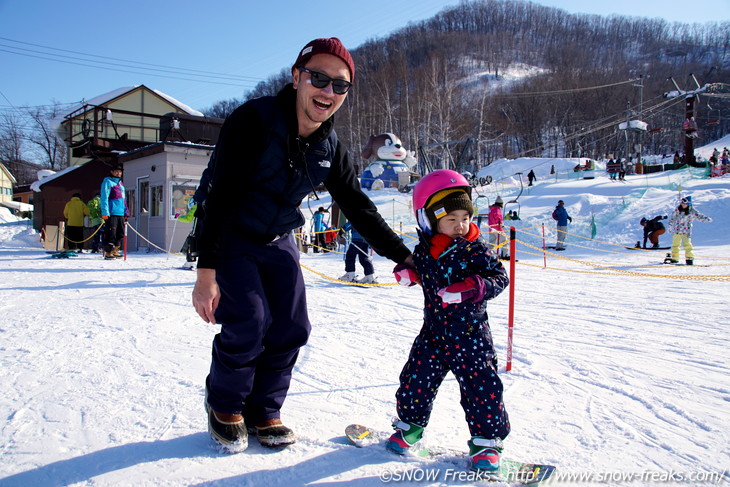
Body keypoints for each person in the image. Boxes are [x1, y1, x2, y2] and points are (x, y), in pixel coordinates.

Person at [191, 37, 413, 452]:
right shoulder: (253, 120)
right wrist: (206, 273)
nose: (327, 92)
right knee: (249, 322)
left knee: (293, 327)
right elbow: (220, 195)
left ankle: (264, 409)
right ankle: (224, 405)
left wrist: (405, 256)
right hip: (233, 235)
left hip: (279, 239)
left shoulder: (330, 148)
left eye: (340, 86)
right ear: (297, 78)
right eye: (318, 78)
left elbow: (360, 209)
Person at [390, 169, 510, 472]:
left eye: (465, 218)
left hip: (470, 333)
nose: (460, 226)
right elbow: (421, 269)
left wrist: (473, 287)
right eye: (451, 219)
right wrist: (410, 273)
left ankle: (486, 443)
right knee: (415, 380)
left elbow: (499, 276)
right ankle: (410, 428)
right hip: (433, 331)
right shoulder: (426, 250)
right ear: (430, 221)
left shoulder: (475, 249)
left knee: (481, 387)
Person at [667, 196, 712, 265]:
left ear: (688, 204)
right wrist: (670, 226)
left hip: (686, 231)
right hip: (677, 230)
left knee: (687, 245)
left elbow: (699, 216)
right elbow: (673, 218)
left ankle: (689, 259)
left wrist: (706, 219)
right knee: (675, 245)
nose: (682, 204)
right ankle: (675, 258)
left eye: (684, 203)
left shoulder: (692, 211)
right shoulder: (677, 209)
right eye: (681, 203)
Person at [100, 164, 128, 259]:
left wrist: (126, 212)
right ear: (111, 172)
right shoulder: (107, 182)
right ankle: (108, 251)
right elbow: (104, 198)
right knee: (111, 233)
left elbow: (124, 199)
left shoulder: (120, 184)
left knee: (120, 233)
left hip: (120, 212)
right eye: (116, 171)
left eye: (120, 171)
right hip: (111, 212)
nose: (118, 173)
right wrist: (105, 212)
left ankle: (115, 249)